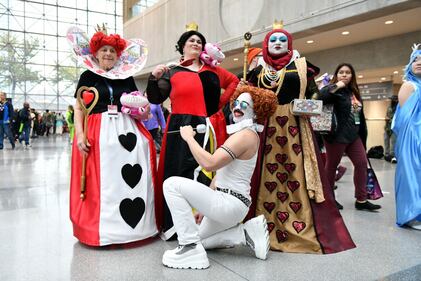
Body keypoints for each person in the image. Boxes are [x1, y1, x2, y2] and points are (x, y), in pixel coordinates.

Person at [244, 23, 355, 253]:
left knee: (296, 171)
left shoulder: (303, 66)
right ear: (266, 44)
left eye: (282, 40)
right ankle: (260, 223)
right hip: (266, 127)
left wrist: (306, 104)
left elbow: (315, 95)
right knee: (263, 172)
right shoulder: (257, 70)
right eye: (273, 40)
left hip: (296, 126)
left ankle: (299, 221)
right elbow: (247, 97)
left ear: (289, 44)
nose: (277, 43)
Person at [162, 85, 277, 269]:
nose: (238, 107)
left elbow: (210, 163)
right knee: (201, 240)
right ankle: (242, 234)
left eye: (244, 105)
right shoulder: (244, 134)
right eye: (236, 103)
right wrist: (203, 206)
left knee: (171, 185)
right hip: (231, 204)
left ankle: (189, 248)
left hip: (228, 203)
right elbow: (221, 173)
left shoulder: (245, 136)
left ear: (256, 112)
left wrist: (189, 138)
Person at [68, 26, 160, 246]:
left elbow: (135, 104)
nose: (108, 54)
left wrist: (143, 110)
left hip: (126, 129)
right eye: (104, 50)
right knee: (103, 180)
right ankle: (100, 229)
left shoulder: (126, 77)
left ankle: (136, 228)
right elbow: (79, 107)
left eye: (112, 51)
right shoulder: (87, 76)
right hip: (98, 129)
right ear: (96, 53)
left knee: (127, 175)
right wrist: (80, 135)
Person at [146, 25, 239, 240]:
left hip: (206, 126)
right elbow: (155, 98)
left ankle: (202, 226)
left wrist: (220, 104)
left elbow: (234, 82)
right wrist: (153, 77)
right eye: (191, 41)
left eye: (199, 41)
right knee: (177, 172)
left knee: (205, 172)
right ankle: (175, 226)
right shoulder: (172, 70)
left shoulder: (213, 70)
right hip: (178, 126)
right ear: (183, 46)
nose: (196, 43)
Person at [319, 63, 381, 212]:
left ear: (352, 75)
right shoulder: (334, 90)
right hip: (336, 136)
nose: (344, 75)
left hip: (354, 136)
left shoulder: (354, 92)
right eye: (341, 72)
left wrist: (362, 135)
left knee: (361, 164)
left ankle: (361, 199)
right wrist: (336, 85)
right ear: (337, 75)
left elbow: (359, 115)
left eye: (348, 72)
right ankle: (329, 199)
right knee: (331, 167)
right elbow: (320, 97)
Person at [392, 44, 421, 230]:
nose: (419, 63)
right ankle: (410, 215)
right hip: (412, 138)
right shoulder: (409, 85)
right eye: (416, 60)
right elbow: (405, 118)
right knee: (412, 172)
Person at [384, 95, 398, 163]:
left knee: (393, 143)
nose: (391, 101)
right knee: (386, 141)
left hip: (394, 129)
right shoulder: (389, 107)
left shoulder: (399, 108)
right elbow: (386, 114)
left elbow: (398, 119)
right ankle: (386, 155)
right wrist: (386, 117)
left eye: (392, 99)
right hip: (387, 128)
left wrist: (389, 120)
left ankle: (392, 156)